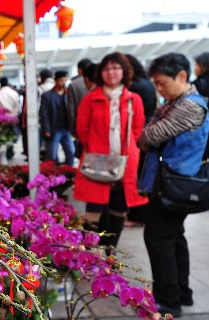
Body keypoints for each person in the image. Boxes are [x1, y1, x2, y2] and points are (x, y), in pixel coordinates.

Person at [138, 53, 209, 317]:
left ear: (181, 76)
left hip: (174, 185)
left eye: (161, 83)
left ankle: (168, 301)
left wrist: (148, 133)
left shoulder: (189, 106)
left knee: (158, 238)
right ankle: (181, 292)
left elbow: (149, 136)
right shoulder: (177, 102)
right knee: (174, 237)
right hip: (172, 183)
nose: (158, 89)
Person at [74, 52, 147, 252]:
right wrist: (97, 148)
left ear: (124, 71)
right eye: (106, 68)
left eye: (116, 68)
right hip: (97, 164)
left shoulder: (134, 99)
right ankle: (88, 253)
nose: (111, 72)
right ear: (100, 73)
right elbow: (82, 130)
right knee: (93, 210)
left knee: (119, 209)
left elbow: (137, 130)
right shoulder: (91, 99)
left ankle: (109, 251)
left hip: (125, 164)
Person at [124, 54, 158, 227]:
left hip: (140, 135)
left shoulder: (136, 87)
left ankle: (138, 216)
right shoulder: (145, 82)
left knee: (137, 177)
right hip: (145, 131)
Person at [193, 52, 209, 195]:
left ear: (203, 66)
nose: (195, 68)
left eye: (196, 64)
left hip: (206, 128)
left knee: (204, 160)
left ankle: (205, 191)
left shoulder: (199, 84)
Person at [40, 70, 75, 165]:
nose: (63, 83)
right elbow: (44, 113)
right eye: (61, 80)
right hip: (54, 129)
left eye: (65, 80)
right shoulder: (47, 95)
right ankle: (53, 175)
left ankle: (69, 171)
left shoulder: (68, 94)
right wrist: (46, 129)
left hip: (66, 129)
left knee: (71, 151)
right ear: (56, 80)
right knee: (52, 155)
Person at [67, 58, 93, 137]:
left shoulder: (73, 85)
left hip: (81, 125)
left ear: (80, 70)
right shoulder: (101, 81)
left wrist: (72, 129)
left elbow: (71, 109)